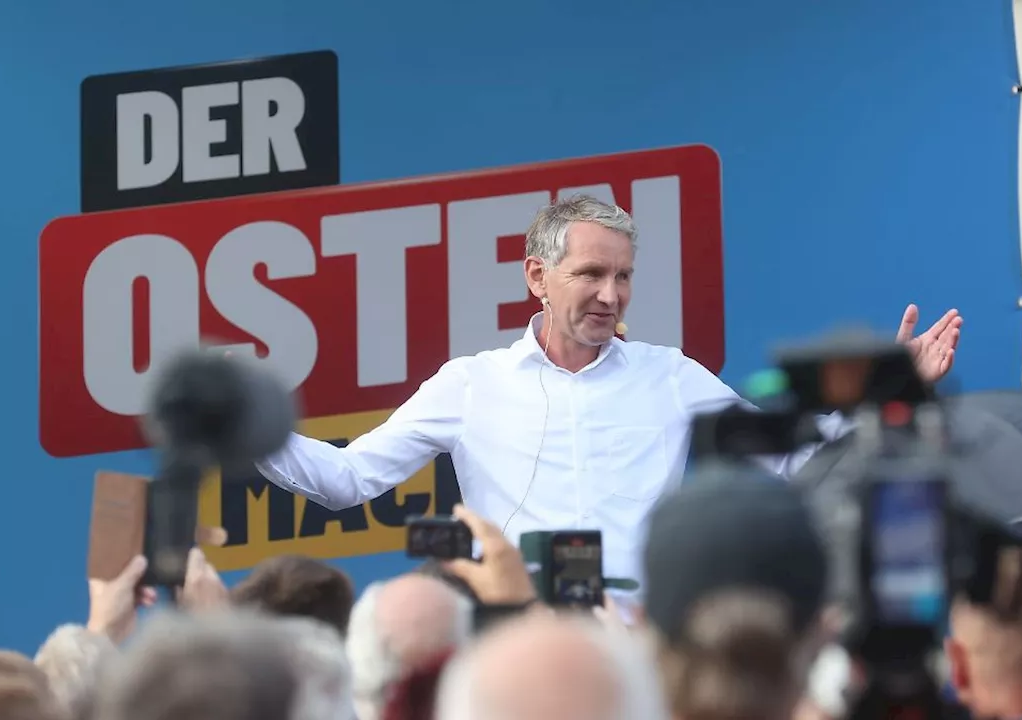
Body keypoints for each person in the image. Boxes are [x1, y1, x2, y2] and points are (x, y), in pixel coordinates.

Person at [255, 195, 963, 604]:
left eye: (622, 276)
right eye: (591, 273)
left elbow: (793, 459)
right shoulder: (470, 383)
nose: (611, 295)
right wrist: (242, 426)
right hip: (516, 648)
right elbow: (348, 481)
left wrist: (886, 395)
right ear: (537, 276)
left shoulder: (669, 375)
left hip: (639, 648)